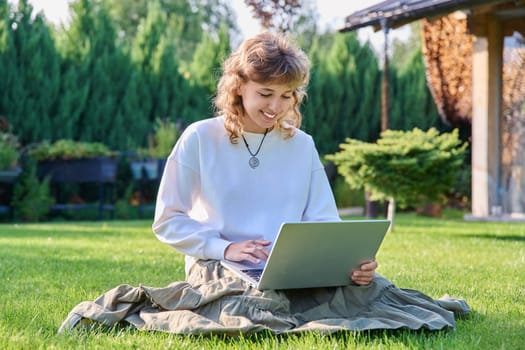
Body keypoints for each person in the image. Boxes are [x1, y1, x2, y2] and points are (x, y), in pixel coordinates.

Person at [59, 32, 469, 335]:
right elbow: (168, 220)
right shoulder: (200, 138)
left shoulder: (302, 145)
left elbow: (322, 219)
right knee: (250, 307)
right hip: (221, 265)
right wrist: (226, 247)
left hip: (293, 266)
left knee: (370, 291)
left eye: (288, 95)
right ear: (239, 88)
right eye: (266, 93)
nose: (277, 107)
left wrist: (348, 265)